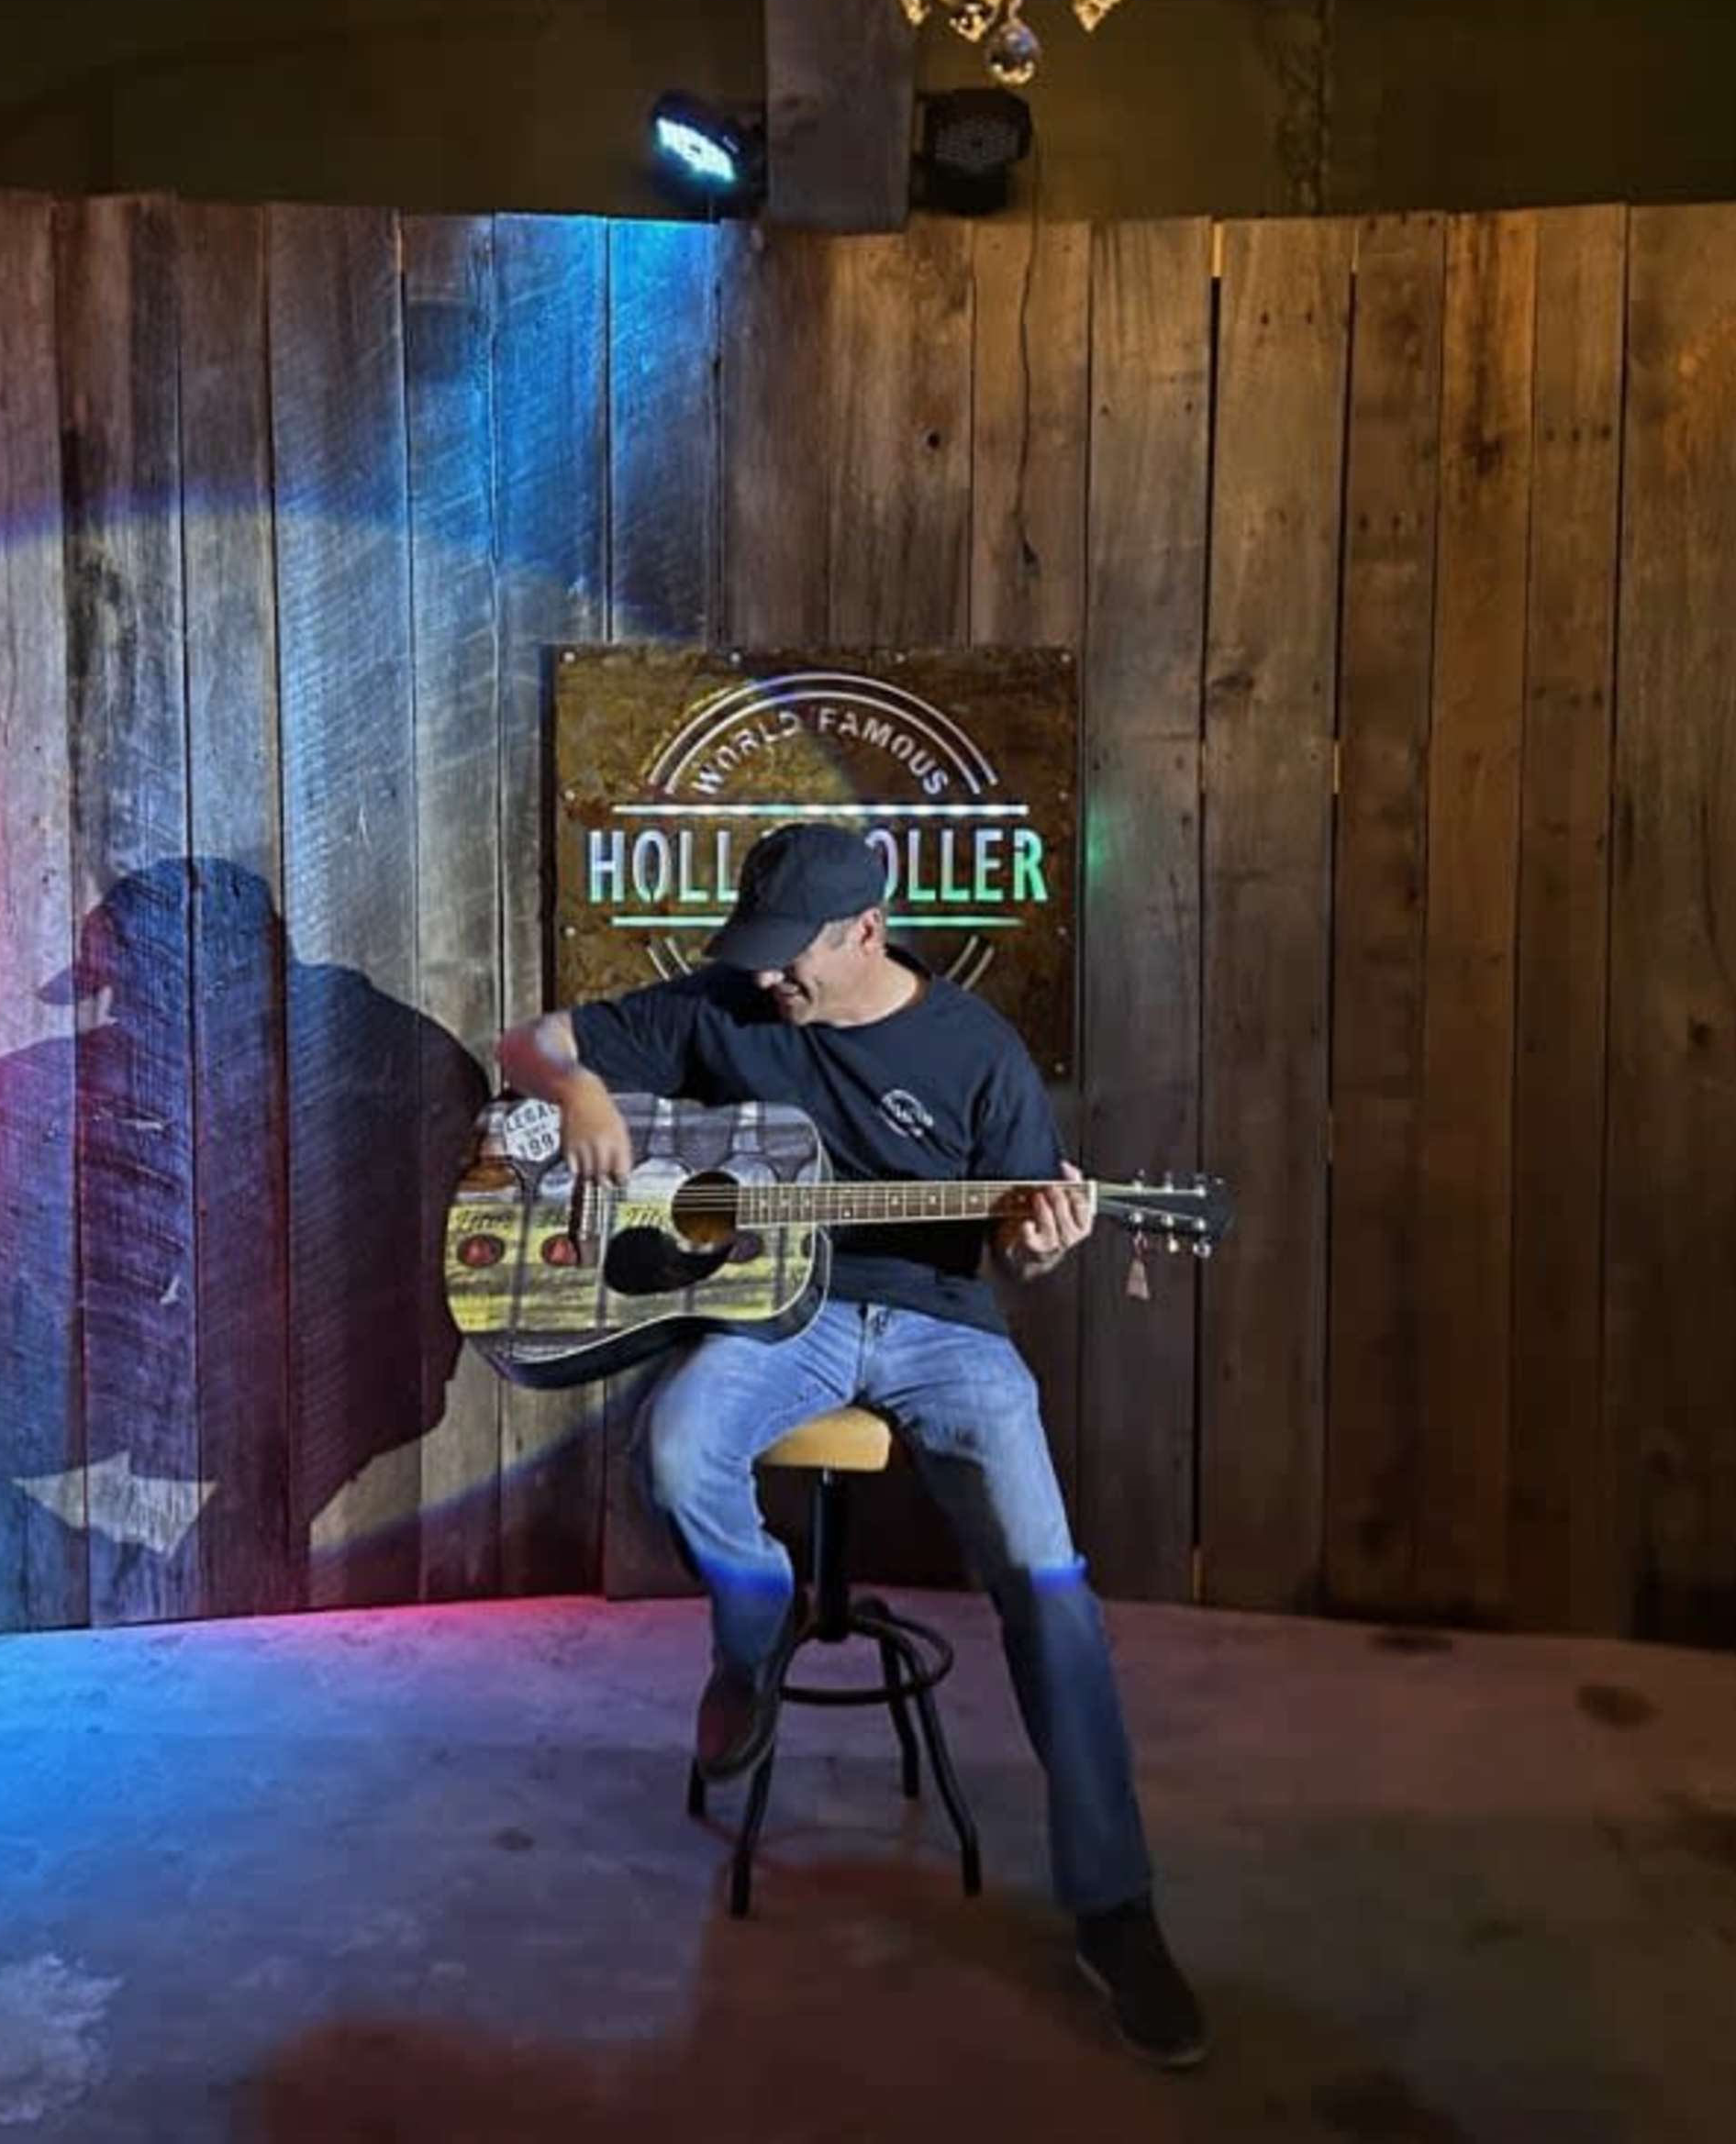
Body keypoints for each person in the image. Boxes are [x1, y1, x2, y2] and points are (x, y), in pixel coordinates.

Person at [494, 822, 1207, 2072]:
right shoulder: (727, 1005)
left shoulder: (976, 1054)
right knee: (676, 1450)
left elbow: (1019, 1256)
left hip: (942, 1331)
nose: (770, 981)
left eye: (792, 960)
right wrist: (585, 1091)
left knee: (1053, 1594)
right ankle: (753, 1631)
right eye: (756, 955)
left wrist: (1042, 1245)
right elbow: (527, 1047)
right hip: (789, 1318)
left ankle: (1115, 1905)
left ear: (866, 930)